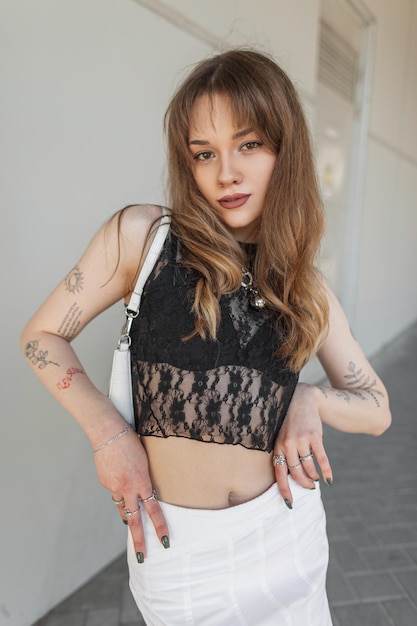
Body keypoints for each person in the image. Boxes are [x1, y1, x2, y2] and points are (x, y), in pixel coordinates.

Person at [21, 48, 391, 625]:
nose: (226, 173)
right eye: (204, 153)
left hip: (287, 538)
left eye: (250, 145)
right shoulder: (142, 239)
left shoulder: (303, 284)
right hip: (182, 559)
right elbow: (42, 336)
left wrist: (310, 396)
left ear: (284, 151)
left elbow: (377, 408)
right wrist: (108, 434)